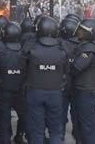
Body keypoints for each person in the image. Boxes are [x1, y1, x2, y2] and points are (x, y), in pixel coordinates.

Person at [24, 16, 68, 144]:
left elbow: (22, 67)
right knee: (55, 130)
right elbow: (67, 71)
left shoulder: (31, 48)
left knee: (37, 130)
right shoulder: (62, 50)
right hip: (55, 93)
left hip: (35, 92)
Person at [71, 18, 95, 144]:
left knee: (88, 128)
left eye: (82, 30)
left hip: (87, 92)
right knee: (81, 126)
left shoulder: (89, 49)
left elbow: (76, 68)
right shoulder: (87, 46)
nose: (79, 32)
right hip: (83, 91)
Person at [0, 22, 26, 144]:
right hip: (20, 91)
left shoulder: (0, 54)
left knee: (4, 120)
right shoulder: (25, 53)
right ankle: (19, 135)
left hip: (4, 91)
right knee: (24, 116)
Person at [59, 15, 82, 142]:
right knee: (76, 110)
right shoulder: (81, 45)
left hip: (63, 82)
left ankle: (61, 133)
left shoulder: (60, 44)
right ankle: (78, 135)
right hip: (77, 82)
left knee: (61, 110)